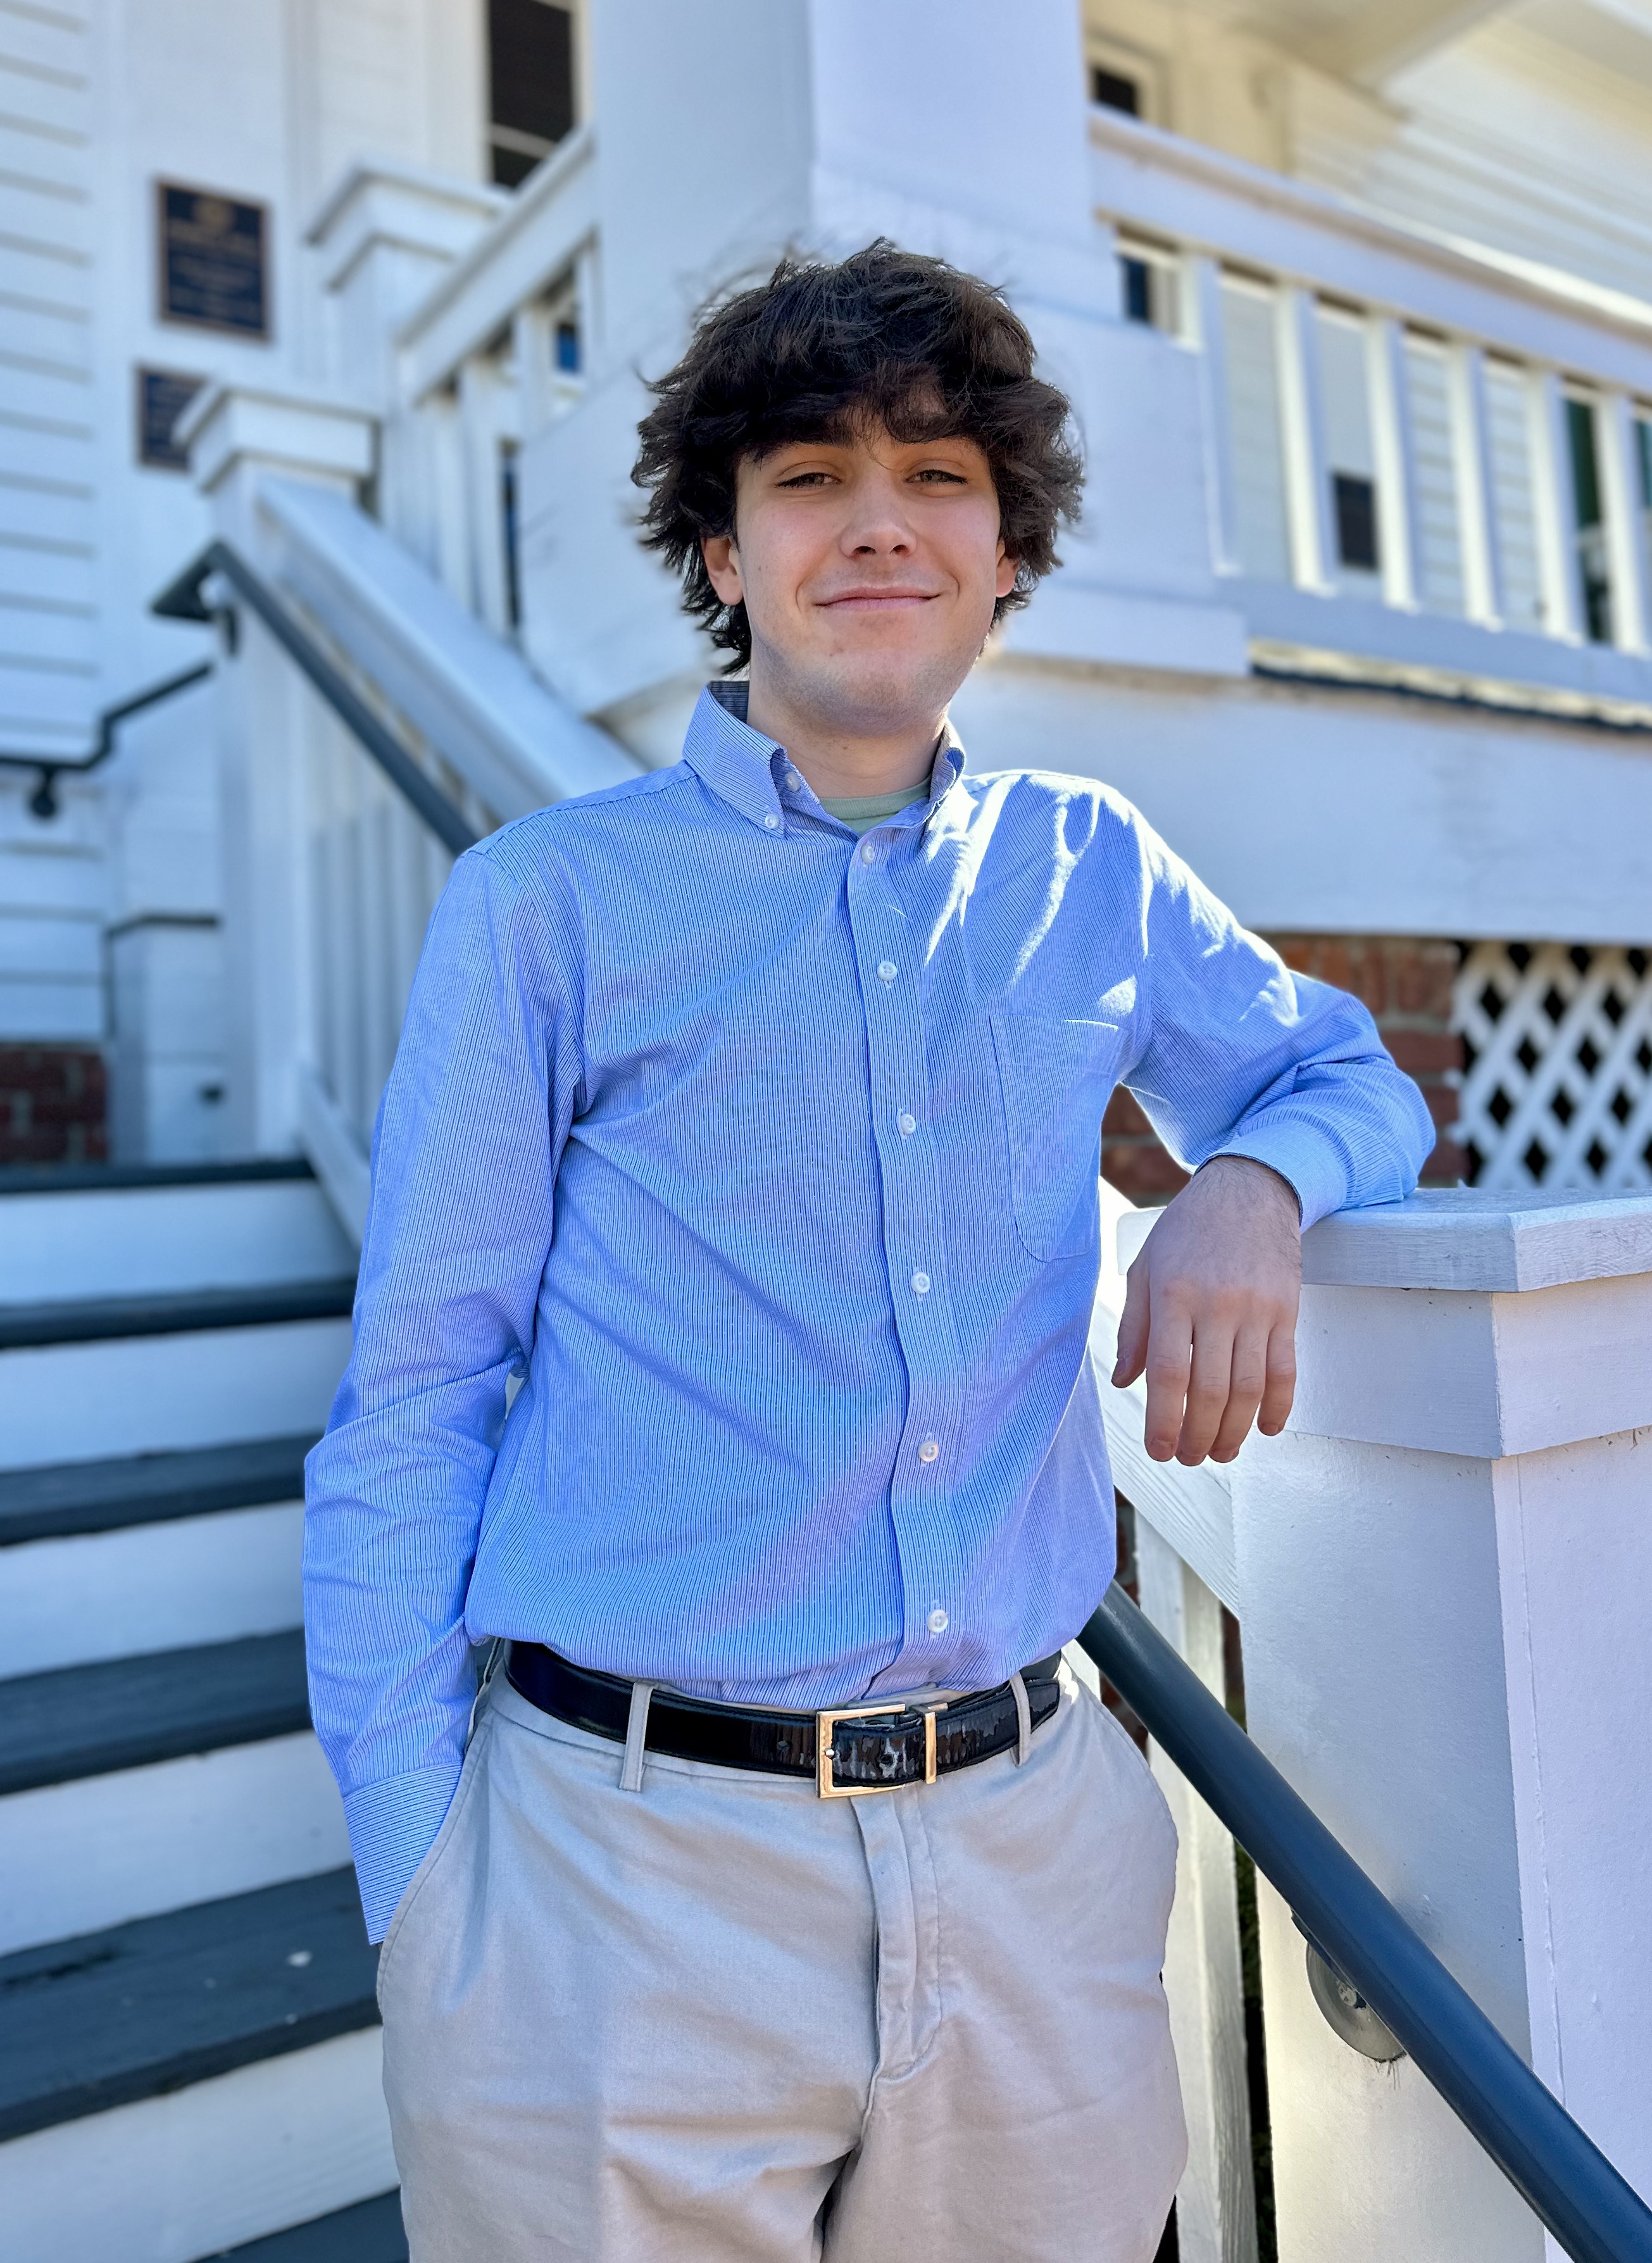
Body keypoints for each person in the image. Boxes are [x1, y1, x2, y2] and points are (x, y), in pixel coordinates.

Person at [304, 241, 1432, 2262]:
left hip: (1030, 1860)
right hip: (620, 1890)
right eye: (809, 477)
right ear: (722, 555)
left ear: (1007, 557)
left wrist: (1249, 1189)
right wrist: (420, 1876)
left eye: (937, 478)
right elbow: (413, 1388)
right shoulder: (542, 906)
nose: (878, 525)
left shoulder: (1091, 868)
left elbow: (1342, 1076)